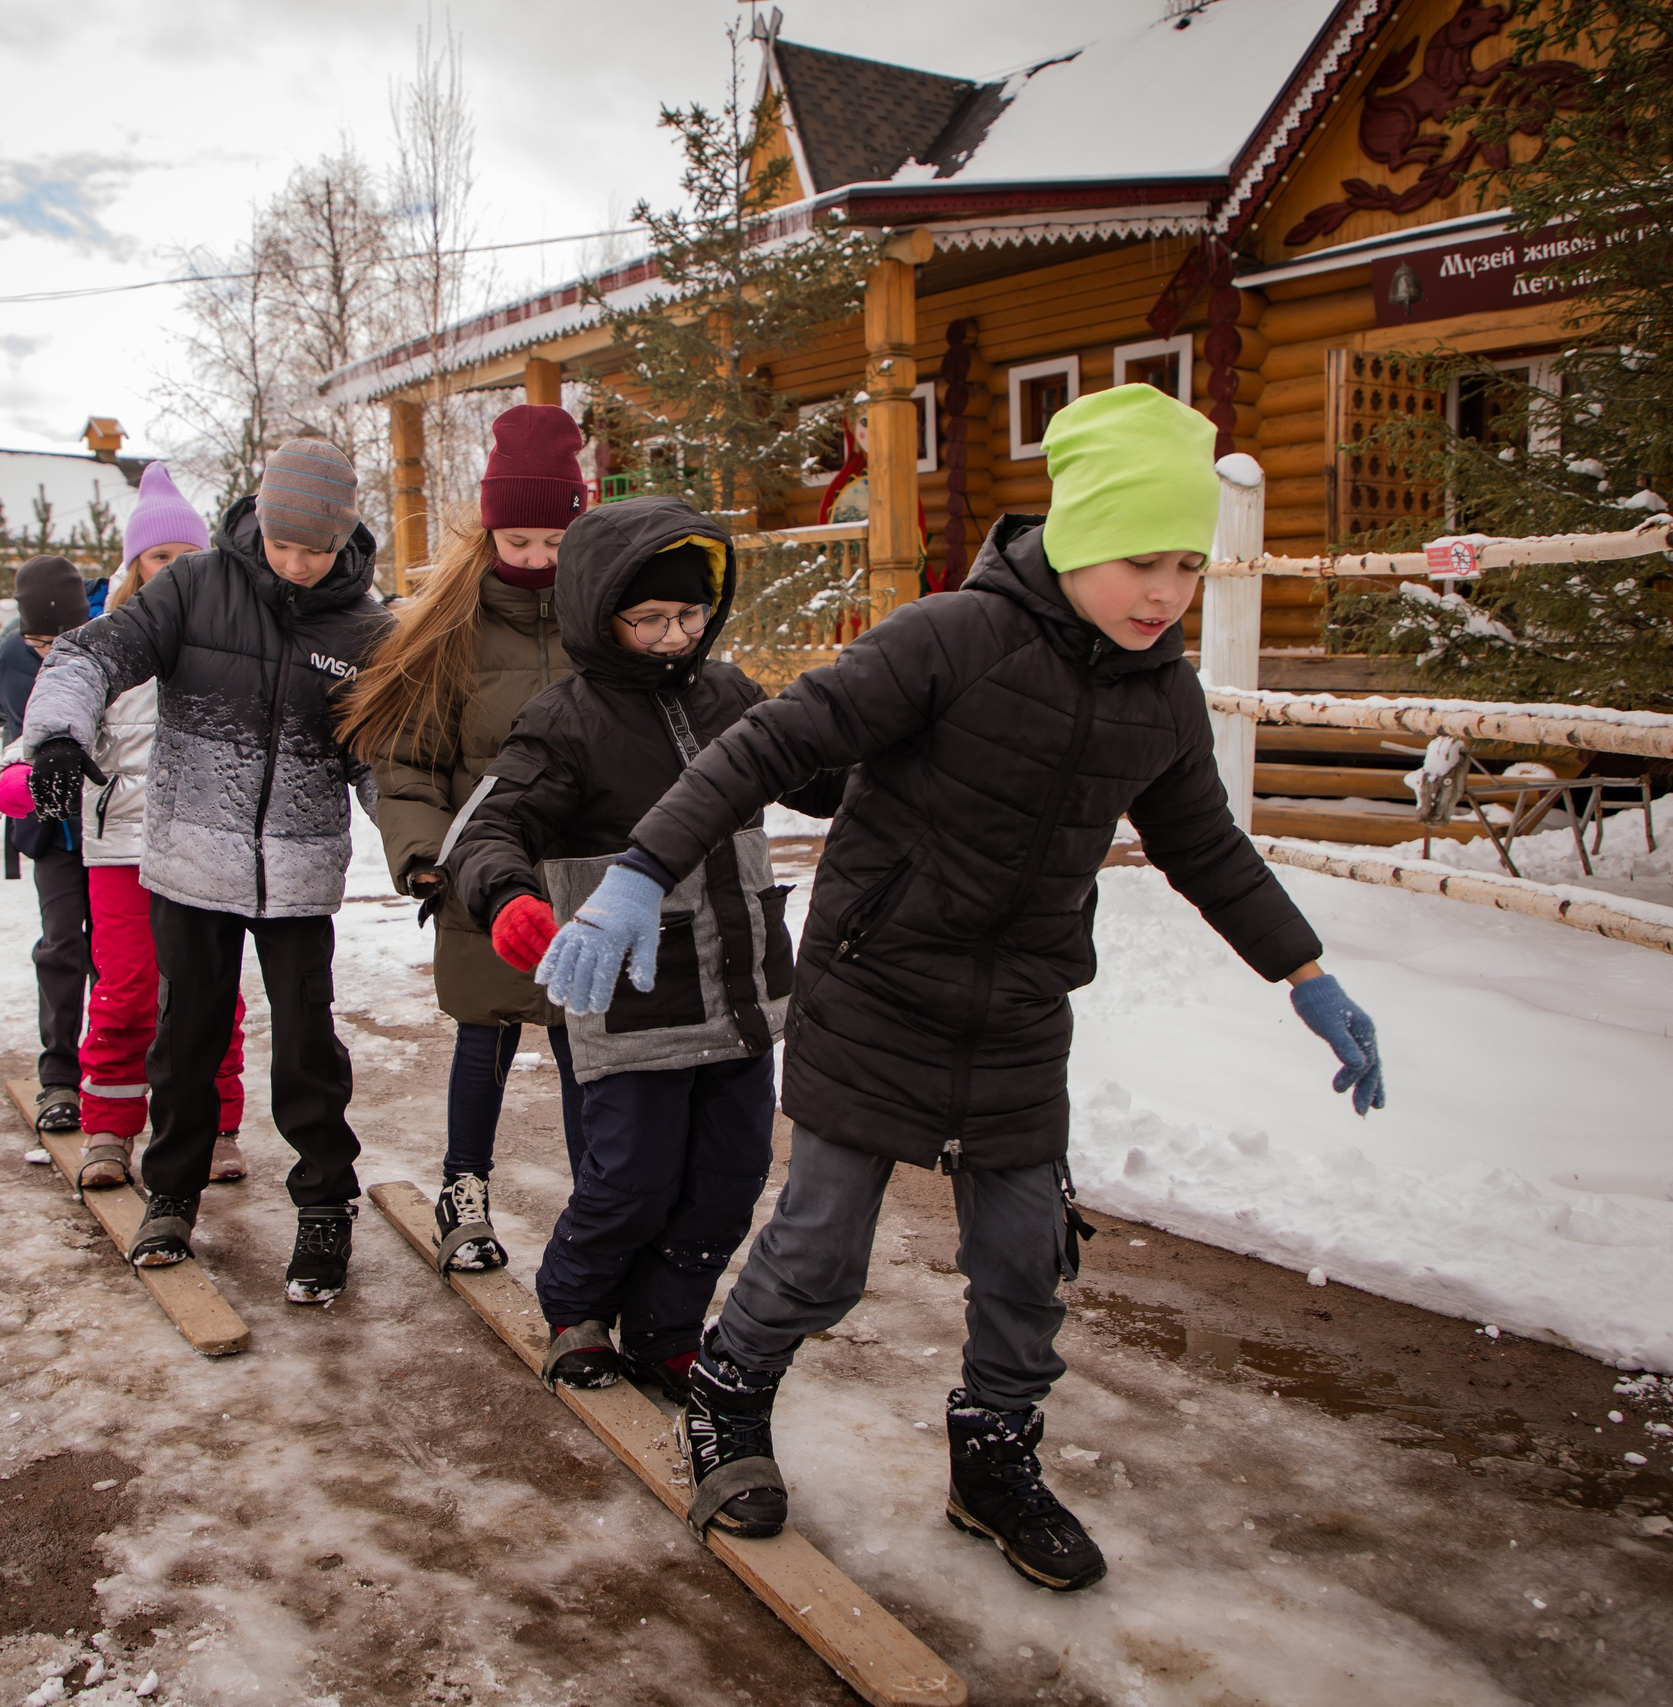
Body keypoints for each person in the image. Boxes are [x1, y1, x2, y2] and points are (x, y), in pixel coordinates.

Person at [535, 384, 1386, 1586]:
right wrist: (637, 871)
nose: (1165, 593)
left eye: (1189, 566)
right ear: (1080, 537)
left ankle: (992, 1457)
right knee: (823, 1246)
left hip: (1018, 1008)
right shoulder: (948, 640)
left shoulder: (1161, 696)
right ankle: (728, 1395)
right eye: (1142, 560)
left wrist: (1303, 972)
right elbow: (768, 744)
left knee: (1024, 1258)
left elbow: (1206, 846)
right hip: (875, 984)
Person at [445, 494, 844, 1401]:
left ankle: (667, 1328)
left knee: (729, 1180)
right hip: (630, 998)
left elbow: (822, 777)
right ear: (600, 613)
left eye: (689, 613)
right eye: (651, 618)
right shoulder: (566, 719)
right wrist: (507, 897)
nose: (675, 635)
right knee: (631, 1177)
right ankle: (577, 1308)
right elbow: (484, 830)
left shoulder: (735, 695)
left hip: (738, 989)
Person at [22, 439, 392, 1304]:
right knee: (185, 1037)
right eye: (284, 544)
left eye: (318, 551)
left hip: (299, 871)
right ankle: (175, 1191)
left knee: (307, 1046)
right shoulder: (193, 586)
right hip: (192, 861)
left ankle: (325, 1203)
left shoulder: (365, 627)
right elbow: (88, 655)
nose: (297, 566)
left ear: (344, 541)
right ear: (259, 517)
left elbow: (381, 759)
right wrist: (57, 735)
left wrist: (431, 852)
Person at [339, 403, 589, 1274]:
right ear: (489, 536)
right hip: (480, 875)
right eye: (517, 540)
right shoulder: (448, 629)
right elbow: (405, 761)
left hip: (585, 882)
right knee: (483, 1034)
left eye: (553, 539)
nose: (535, 558)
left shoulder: (602, 621)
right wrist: (425, 858)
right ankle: (464, 1187)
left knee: (585, 1046)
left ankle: (598, 1206)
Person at [68, 463, 252, 1190]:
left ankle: (217, 1126)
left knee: (212, 991)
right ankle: (110, 1125)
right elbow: (59, 707)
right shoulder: (108, 638)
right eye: (158, 557)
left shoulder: (226, 639)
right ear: (135, 564)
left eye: (186, 556)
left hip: (205, 842)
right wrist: (26, 765)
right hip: (120, 844)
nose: (174, 569)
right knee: (129, 986)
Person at [0, 557, 94, 1134]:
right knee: (62, 943)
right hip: (48, 833)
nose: (48, 652)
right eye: (38, 640)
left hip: (110, 830)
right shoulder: (11, 657)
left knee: (116, 954)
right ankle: (60, 1074)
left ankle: (119, 1071)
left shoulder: (107, 649)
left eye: (60, 639)